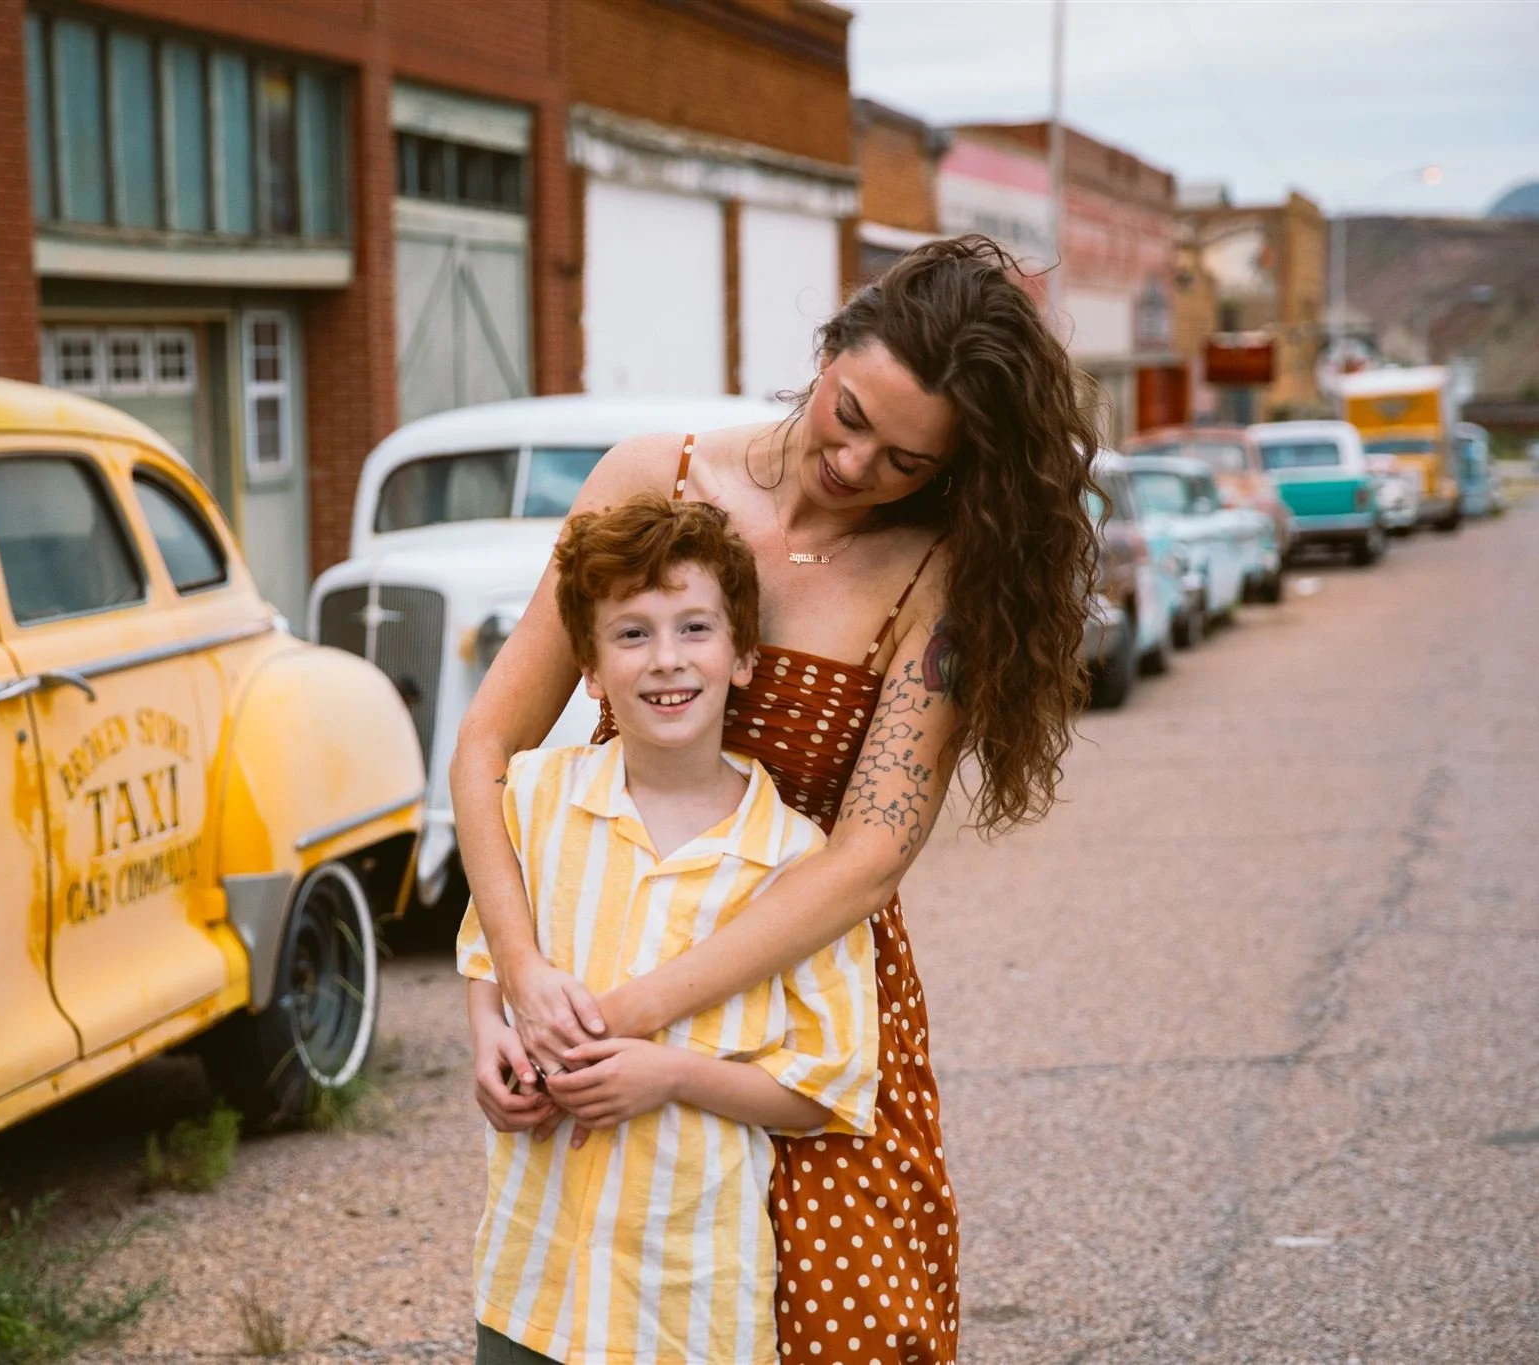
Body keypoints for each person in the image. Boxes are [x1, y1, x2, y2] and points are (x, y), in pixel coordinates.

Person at [453, 235, 1102, 1364]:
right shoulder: (647, 482)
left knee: (851, 1326)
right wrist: (517, 982)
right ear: (828, 347)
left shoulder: (932, 569)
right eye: (848, 414)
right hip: (614, 929)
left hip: (802, 997)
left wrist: (633, 1012)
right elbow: (486, 747)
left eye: (906, 462)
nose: (854, 466)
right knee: (582, 1308)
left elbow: (869, 856)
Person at [457, 494, 880, 1365]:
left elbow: (826, 1089)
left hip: (687, 1299)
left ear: (744, 655)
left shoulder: (797, 861)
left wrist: (672, 1074)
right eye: (632, 633)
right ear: (589, 667)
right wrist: (488, 1043)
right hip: (534, 1276)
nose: (666, 660)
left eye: (694, 627)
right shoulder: (538, 798)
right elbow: (488, 952)